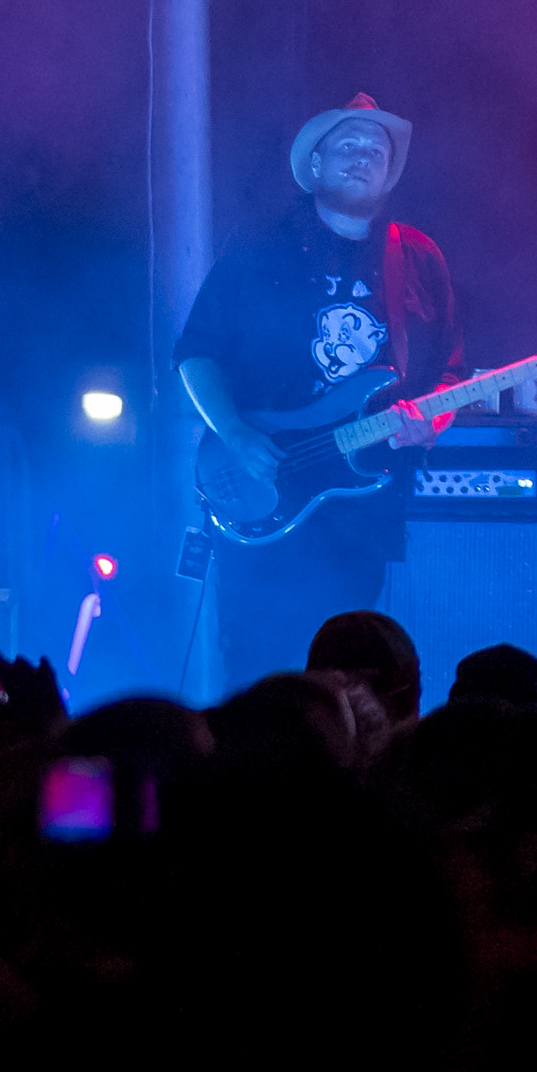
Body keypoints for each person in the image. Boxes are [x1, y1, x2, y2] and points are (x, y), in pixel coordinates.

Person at [176, 95, 465, 689]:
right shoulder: (260, 247)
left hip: (362, 504)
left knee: (349, 676)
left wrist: (429, 423)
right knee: (255, 673)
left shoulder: (417, 257)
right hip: (259, 481)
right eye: (347, 146)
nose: (363, 158)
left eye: (376, 151)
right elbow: (196, 352)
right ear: (314, 164)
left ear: (389, 171)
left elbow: (449, 376)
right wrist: (235, 433)